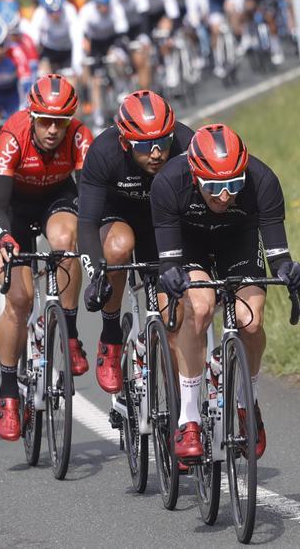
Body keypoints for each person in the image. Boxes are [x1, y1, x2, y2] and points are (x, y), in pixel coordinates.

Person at [149, 124, 300, 460]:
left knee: (249, 321)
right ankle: (190, 418)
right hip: (190, 243)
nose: (225, 196)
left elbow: (278, 254)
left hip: (237, 241)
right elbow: (168, 262)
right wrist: (174, 278)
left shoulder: (262, 180)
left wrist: (289, 272)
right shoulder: (168, 182)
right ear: (195, 176)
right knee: (201, 308)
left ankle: (245, 401)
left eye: (234, 185)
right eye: (214, 187)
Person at [0, 75, 92, 441]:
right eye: (45, 121)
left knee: (67, 238)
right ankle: (7, 393)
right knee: (19, 300)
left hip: (56, 199)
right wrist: (2, 239)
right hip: (15, 207)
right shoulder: (13, 136)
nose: (52, 130)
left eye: (60, 121)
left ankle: (70, 332)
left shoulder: (79, 136)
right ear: (32, 116)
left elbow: (91, 200)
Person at [78, 91, 194, 394]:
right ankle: (112, 338)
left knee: (175, 320)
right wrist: (95, 276)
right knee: (118, 246)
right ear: (125, 142)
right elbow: (87, 223)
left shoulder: (186, 146)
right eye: (144, 145)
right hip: (117, 219)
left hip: (164, 226)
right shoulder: (103, 152)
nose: (156, 153)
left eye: (162, 142)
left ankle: (180, 407)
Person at [77, 0, 129, 127]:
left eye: (106, 4)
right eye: (101, 5)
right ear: (95, 3)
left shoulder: (116, 9)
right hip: (94, 44)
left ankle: (121, 86)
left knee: (117, 59)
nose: (104, 8)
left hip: (113, 41)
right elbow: (81, 36)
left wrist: (116, 52)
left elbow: (122, 33)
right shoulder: (86, 12)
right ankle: (98, 115)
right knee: (96, 80)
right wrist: (83, 53)